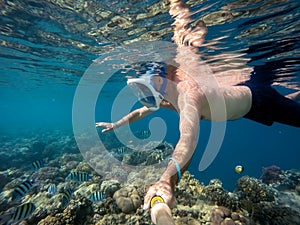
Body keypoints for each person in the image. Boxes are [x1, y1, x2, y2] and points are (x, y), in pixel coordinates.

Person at [96, 0, 300, 211]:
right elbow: (142, 111)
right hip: (245, 109)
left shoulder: (188, 96)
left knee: (287, 112)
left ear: (160, 78)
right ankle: (293, 97)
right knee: (282, 107)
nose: (146, 96)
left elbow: (188, 140)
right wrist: (116, 124)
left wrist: (166, 180)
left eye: (146, 89)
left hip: (259, 99)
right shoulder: (165, 94)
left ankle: (290, 99)